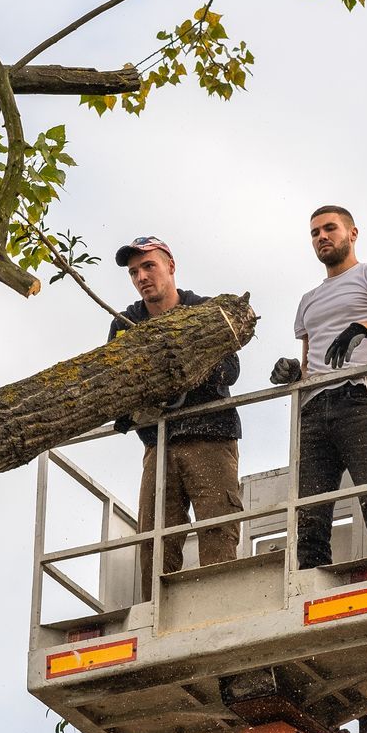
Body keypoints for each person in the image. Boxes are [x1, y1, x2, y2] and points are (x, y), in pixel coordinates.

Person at [271, 205, 367, 569]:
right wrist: (293, 373)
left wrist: (364, 327)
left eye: (330, 228)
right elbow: (309, 365)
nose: (322, 237)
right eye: (315, 233)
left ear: (352, 234)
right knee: (308, 520)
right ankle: (309, 594)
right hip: (313, 409)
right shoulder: (308, 300)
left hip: (360, 402)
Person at [108, 235, 243, 597]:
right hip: (158, 441)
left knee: (217, 527)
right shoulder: (126, 323)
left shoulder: (203, 311)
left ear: (170, 265)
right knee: (154, 535)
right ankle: (157, 614)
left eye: (148, 266)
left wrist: (180, 364)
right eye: (134, 272)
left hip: (209, 434)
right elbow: (112, 386)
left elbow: (229, 370)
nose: (141, 277)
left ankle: (220, 603)